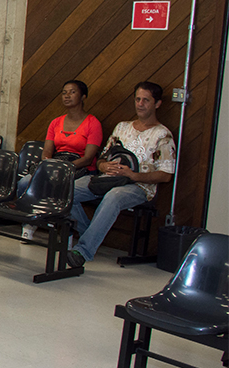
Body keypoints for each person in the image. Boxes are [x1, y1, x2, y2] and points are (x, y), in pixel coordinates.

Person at [67, 82, 175, 268]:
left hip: (138, 186)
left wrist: (133, 175)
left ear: (157, 104)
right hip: (107, 179)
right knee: (68, 189)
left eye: (146, 100)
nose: (140, 104)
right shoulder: (122, 128)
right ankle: (90, 234)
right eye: (138, 99)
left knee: (114, 196)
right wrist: (104, 166)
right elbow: (101, 159)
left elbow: (166, 175)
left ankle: (82, 251)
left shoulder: (162, 135)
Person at [18, 79, 103, 241]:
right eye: (64, 92)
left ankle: (85, 233)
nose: (67, 96)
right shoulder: (56, 122)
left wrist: (64, 169)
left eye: (72, 92)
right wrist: (51, 168)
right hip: (56, 169)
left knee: (66, 193)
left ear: (83, 97)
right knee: (24, 183)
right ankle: (31, 221)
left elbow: (88, 158)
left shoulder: (93, 123)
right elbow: (47, 152)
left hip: (80, 170)